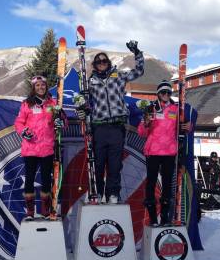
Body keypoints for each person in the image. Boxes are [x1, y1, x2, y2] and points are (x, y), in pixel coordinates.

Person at [77, 41, 144, 204]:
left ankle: (113, 194)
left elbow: (139, 71)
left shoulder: (119, 75)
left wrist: (137, 53)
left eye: (104, 61)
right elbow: (81, 99)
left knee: (114, 165)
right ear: (95, 65)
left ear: (108, 63)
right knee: (98, 164)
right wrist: (81, 107)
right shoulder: (89, 81)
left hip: (116, 127)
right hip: (99, 127)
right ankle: (98, 193)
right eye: (98, 62)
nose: (102, 64)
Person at [137, 80, 191, 226]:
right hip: (153, 151)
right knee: (151, 184)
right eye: (163, 92)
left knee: (167, 185)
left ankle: (165, 218)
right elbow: (141, 132)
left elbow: (184, 128)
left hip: (169, 152)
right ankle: (153, 218)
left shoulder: (176, 109)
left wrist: (188, 126)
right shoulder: (151, 108)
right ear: (158, 94)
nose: (166, 95)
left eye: (168, 92)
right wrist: (146, 123)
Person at [14, 75, 67, 220]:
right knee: (29, 179)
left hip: (47, 148)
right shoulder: (27, 104)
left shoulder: (53, 103)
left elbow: (64, 120)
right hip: (30, 148)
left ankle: (45, 209)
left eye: (42, 85)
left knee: (46, 179)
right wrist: (24, 131)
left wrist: (61, 122)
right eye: (37, 85)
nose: (40, 87)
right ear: (33, 88)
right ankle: (30, 211)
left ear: (46, 86)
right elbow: (18, 123)